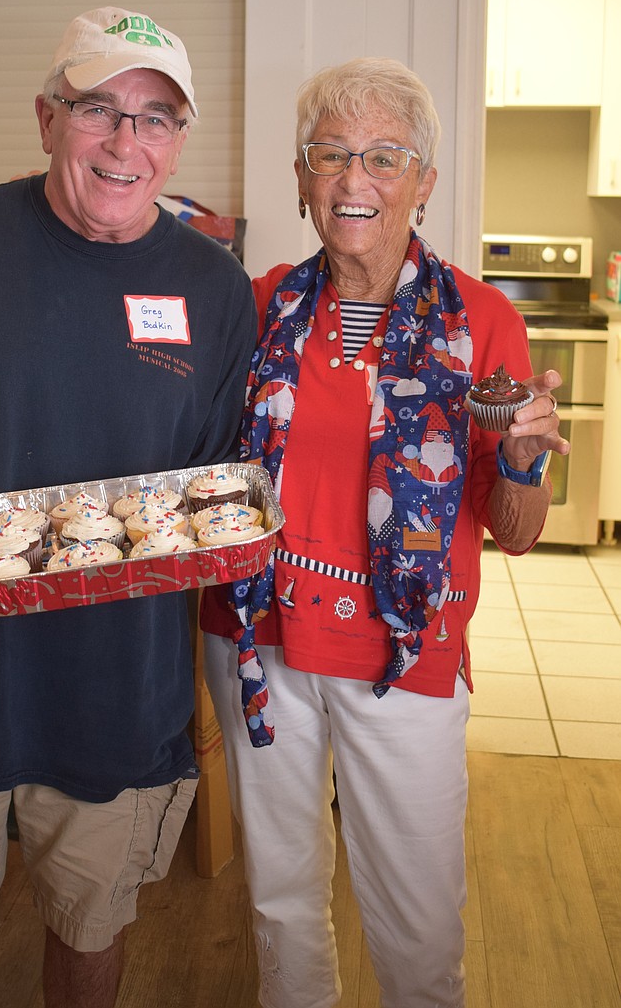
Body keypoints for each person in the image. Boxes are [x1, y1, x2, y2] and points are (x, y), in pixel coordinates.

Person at [0, 6, 257, 1008]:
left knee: (92, 933)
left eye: (155, 119)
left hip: (121, 688)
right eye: (98, 109)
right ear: (45, 116)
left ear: (180, 139)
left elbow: (213, 488)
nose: (124, 143)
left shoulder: (213, 287)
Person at [200, 56, 568, 1008]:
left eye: (383, 156)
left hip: (408, 653)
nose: (352, 178)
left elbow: (516, 530)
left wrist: (524, 460)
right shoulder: (259, 304)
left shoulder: (480, 322)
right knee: (280, 901)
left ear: (424, 183)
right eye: (329, 154)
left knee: (416, 924)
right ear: (300, 178)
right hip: (259, 639)